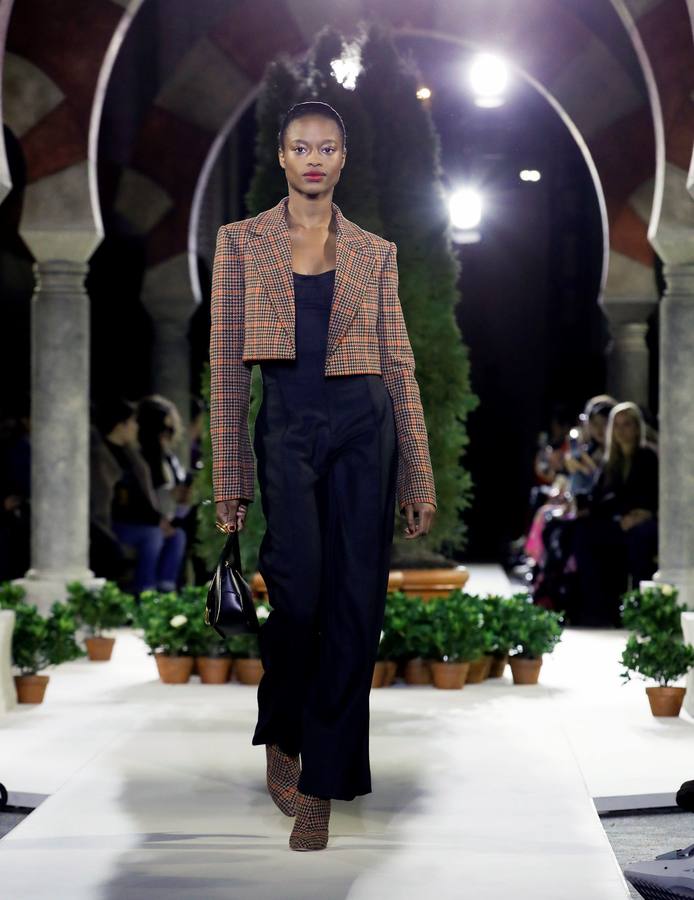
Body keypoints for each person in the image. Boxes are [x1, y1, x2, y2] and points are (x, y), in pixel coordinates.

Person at [210, 100, 436, 851]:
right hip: (289, 423)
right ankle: (282, 725)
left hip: (364, 427)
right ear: (282, 156)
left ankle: (321, 783)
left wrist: (419, 477)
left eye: (328, 147)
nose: (314, 158)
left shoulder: (375, 252)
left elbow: (400, 364)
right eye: (301, 146)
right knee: (299, 590)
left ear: (342, 159)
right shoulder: (241, 243)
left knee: (354, 604)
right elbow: (224, 371)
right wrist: (229, 478)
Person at [571, 401, 658, 626]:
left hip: (642, 521)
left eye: (627, 424)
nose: (621, 430)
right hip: (615, 521)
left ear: (637, 427)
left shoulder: (648, 457)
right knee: (581, 532)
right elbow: (600, 498)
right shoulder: (611, 462)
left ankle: (639, 613)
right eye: (616, 425)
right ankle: (597, 611)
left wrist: (641, 514)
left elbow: (651, 496)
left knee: (639, 538)